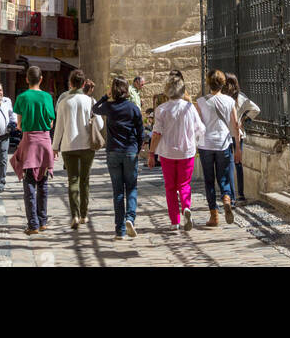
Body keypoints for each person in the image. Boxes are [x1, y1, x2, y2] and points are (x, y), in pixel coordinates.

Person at [148, 72, 205, 231]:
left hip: (167, 153)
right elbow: (200, 129)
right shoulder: (189, 107)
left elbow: (156, 133)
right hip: (186, 151)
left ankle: (175, 221)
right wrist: (196, 143)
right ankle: (186, 207)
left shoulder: (161, 110)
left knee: (170, 187)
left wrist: (151, 153)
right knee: (185, 184)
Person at [93, 76, 144, 239]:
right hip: (130, 151)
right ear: (127, 90)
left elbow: (95, 108)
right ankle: (130, 218)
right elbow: (141, 131)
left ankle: (120, 230)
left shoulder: (108, 107)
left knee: (118, 191)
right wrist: (138, 147)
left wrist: (105, 97)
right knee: (131, 187)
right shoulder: (133, 108)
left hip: (113, 152)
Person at [11, 65, 56, 235]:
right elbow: (51, 123)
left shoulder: (22, 97)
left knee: (29, 182)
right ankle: (43, 221)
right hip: (44, 141)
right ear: (41, 79)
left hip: (29, 141)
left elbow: (19, 125)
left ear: (27, 79)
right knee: (43, 183)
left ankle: (33, 224)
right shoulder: (47, 97)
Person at [52, 68, 96, 229]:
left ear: (70, 84)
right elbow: (99, 124)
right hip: (86, 146)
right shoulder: (90, 101)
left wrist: (55, 146)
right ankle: (84, 214)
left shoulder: (64, 102)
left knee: (73, 180)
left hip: (69, 146)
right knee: (85, 180)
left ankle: (75, 215)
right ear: (83, 84)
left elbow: (59, 127)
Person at [195, 70, 239, 226]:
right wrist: (238, 148)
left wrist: (195, 144)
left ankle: (214, 215)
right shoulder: (229, 101)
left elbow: (197, 126)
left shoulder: (200, 102)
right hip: (224, 143)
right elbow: (235, 125)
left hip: (206, 144)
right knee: (223, 176)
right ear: (223, 84)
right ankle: (226, 197)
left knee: (209, 180)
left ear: (208, 83)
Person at [224, 72, 260, 204]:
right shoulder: (241, 97)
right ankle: (241, 194)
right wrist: (244, 120)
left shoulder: (222, 98)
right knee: (238, 164)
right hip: (238, 133)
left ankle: (230, 196)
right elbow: (256, 109)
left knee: (228, 165)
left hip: (226, 134)